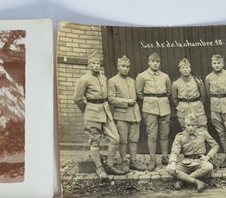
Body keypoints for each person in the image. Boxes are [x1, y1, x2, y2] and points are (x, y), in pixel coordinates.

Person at [73, 51, 124, 179]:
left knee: (115, 138)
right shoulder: (84, 79)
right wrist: (87, 110)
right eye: (93, 63)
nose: (96, 66)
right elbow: (77, 99)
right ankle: (99, 168)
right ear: (88, 65)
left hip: (106, 111)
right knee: (95, 142)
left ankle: (110, 165)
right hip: (92, 112)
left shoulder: (103, 78)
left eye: (98, 63)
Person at [107, 55, 146, 173]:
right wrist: (127, 102)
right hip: (122, 115)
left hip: (135, 115)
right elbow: (111, 99)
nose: (125, 69)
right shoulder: (112, 81)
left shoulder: (133, 81)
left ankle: (133, 161)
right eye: (123, 66)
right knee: (123, 140)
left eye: (127, 67)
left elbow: (138, 95)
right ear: (118, 67)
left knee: (134, 140)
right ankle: (124, 162)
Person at [135, 52, 172, 171]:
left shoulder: (165, 76)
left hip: (164, 107)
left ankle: (165, 157)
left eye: (157, 62)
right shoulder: (142, 76)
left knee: (165, 134)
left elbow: (169, 91)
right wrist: (150, 100)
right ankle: (152, 159)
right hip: (149, 108)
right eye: (153, 61)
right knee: (152, 134)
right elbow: (139, 93)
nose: (155, 64)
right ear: (148, 62)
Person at [165, 113, 218, 192]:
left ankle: (182, 181)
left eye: (193, 125)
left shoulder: (203, 133)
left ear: (196, 125)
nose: (190, 128)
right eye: (188, 125)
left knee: (209, 167)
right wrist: (172, 162)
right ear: (185, 125)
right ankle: (196, 182)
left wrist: (207, 157)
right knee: (169, 168)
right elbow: (174, 151)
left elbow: (215, 146)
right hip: (185, 163)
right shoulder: (180, 136)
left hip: (199, 162)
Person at [171, 58, 207, 128]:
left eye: (187, 68)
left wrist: (198, 104)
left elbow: (203, 97)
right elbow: (174, 99)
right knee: (185, 129)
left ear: (190, 69)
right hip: (183, 109)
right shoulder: (175, 83)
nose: (185, 70)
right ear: (179, 70)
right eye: (183, 68)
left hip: (197, 108)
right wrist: (181, 105)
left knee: (201, 127)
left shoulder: (198, 81)